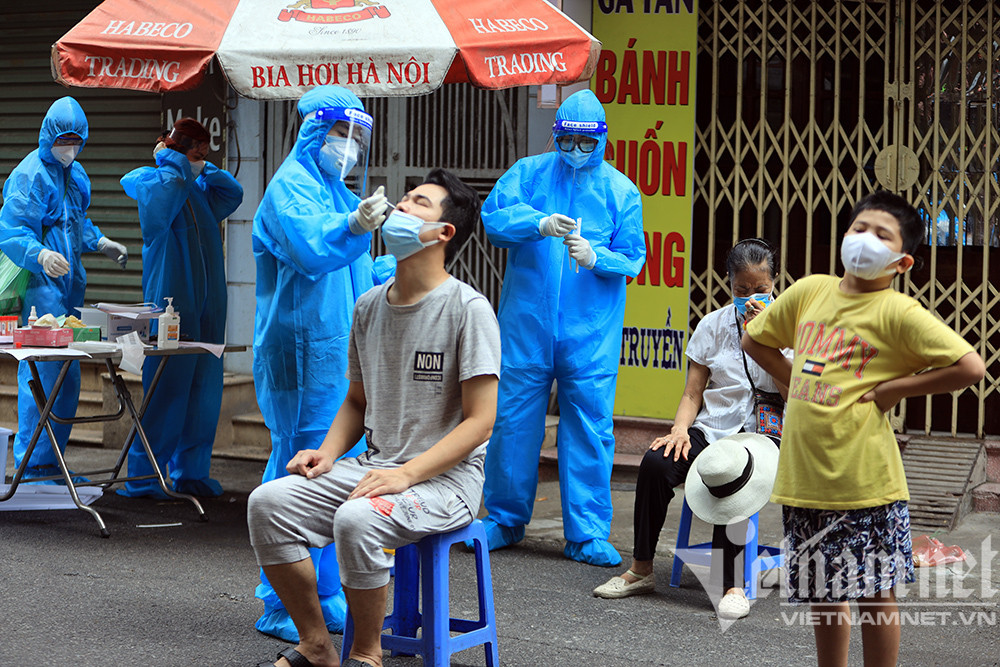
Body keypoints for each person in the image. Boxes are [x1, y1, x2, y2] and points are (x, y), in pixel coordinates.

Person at [248, 168, 499, 667]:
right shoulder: (367, 306)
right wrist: (327, 453)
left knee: (358, 518)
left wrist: (406, 474)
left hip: (448, 481)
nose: (401, 207)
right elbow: (356, 402)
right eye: (404, 198)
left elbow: (481, 422)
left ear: (443, 232)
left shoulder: (468, 309)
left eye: (419, 203)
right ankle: (316, 645)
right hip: (376, 468)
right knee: (268, 503)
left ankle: (367, 654)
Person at [742, 191, 986, 667]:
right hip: (806, 479)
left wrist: (896, 389)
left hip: (866, 483)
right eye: (859, 228)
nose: (865, 240)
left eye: (881, 235)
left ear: (902, 262)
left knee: (876, 594)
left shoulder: (898, 313)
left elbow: (970, 366)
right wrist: (798, 382)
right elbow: (755, 339)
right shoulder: (810, 291)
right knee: (824, 592)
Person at [476, 89, 646, 567]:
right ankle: (504, 518)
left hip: (590, 335)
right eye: (567, 140)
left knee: (589, 427)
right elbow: (493, 220)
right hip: (527, 327)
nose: (576, 150)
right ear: (556, 135)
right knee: (512, 422)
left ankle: (587, 533)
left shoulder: (621, 192)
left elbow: (633, 258)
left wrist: (597, 257)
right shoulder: (528, 174)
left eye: (586, 142)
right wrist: (538, 223)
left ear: (603, 140)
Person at [251, 85, 395, 641]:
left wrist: (385, 268)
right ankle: (282, 603)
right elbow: (312, 250)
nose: (349, 147)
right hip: (301, 355)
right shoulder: (289, 187)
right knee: (297, 476)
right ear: (314, 131)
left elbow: (350, 271)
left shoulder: (337, 190)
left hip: (338, 358)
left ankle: (327, 592)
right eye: (340, 133)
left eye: (357, 136)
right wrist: (353, 228)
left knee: (335, 477)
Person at [592, 239, 784, 619]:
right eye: (742, 290)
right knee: (656, 462)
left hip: (763, 434)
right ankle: (641, 569)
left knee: (735, 472)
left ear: (774, 282)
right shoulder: (713, 325)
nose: (751, 298)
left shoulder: (789, 327)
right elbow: (693, 393)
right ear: (729, 283)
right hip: (713, 427)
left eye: (760, 289)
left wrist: (766, 342)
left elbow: (794, 392)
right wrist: (680, 429)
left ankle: (732, 585)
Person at [0, 96, 128, 483]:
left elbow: (76, 223)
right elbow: (12, 230)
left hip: (70, 284)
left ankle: (51, 460)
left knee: (67, 375)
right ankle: (32, 463)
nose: (69, 148)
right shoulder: (31, 175)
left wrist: (100, 241)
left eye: (76, 141)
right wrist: (39, 255)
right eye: (64, 141)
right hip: (41, 288)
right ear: (49, 137)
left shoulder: (75, 174)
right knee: (43, 373)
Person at [118, 118, 244, 498]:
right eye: (197, 152)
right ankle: (144, 476)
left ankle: (191, 472)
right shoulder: (152, 180)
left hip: (208, 306)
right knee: (167, 391)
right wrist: (174, 163)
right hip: (171, 302)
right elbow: (160, 203)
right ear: (176, 149)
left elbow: (233, 193)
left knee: (204, 393)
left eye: (206, 153)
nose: (202, 158)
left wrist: (204, 169)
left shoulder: (199, 189)